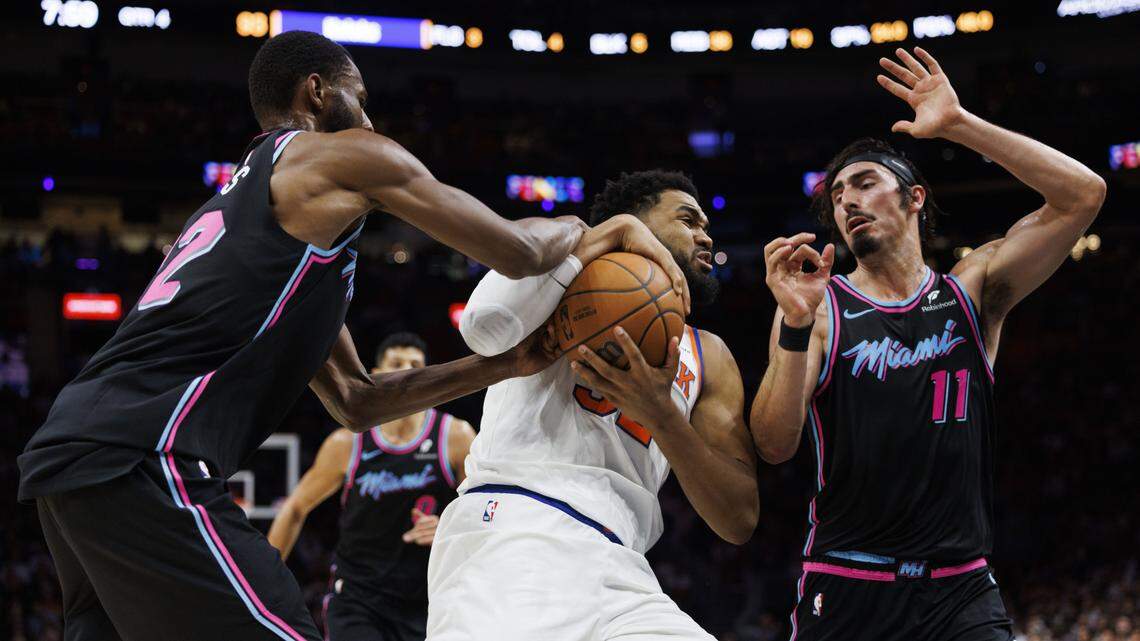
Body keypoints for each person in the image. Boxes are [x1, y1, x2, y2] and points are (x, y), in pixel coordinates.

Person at [17, 30, 685, 641]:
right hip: (144, 453)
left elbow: (356, 399)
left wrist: (508, 363)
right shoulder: (336, 157)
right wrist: (594, 229)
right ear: (317, 91)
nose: (369, 121)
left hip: (69, 458)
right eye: (359, 101)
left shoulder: (253, 219)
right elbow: (516, 251)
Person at [750, 47, 1106, 640]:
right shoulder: (818, 310)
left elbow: (1083, 194)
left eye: (865, 184)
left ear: (915, 198)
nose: (848, 202)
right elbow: (774, 444)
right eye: (837, 196)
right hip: (849, 582)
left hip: (960, 590)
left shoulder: (975, 289)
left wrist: (959, 124)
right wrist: (790, 326)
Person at [428, 170, 760, 641]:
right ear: (639, 223)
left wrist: (664, 418)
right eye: (687, 220)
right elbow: (484, 326)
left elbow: (738, 519)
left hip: (622, 562)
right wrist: (612, 233)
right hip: (517, 530)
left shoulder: (710, 354)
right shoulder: (565, 273)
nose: (705, 235)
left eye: (707, 224)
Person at [267, 333, 475, 641]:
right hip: (358, 598)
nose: (407, 371)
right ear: (375, 376)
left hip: (429, 598)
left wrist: (449, 524)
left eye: (416, 365)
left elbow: (488, 512)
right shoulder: (347, 442)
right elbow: (296, 507)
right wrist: (265, 580)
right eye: (397, 364)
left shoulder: (454, 436)